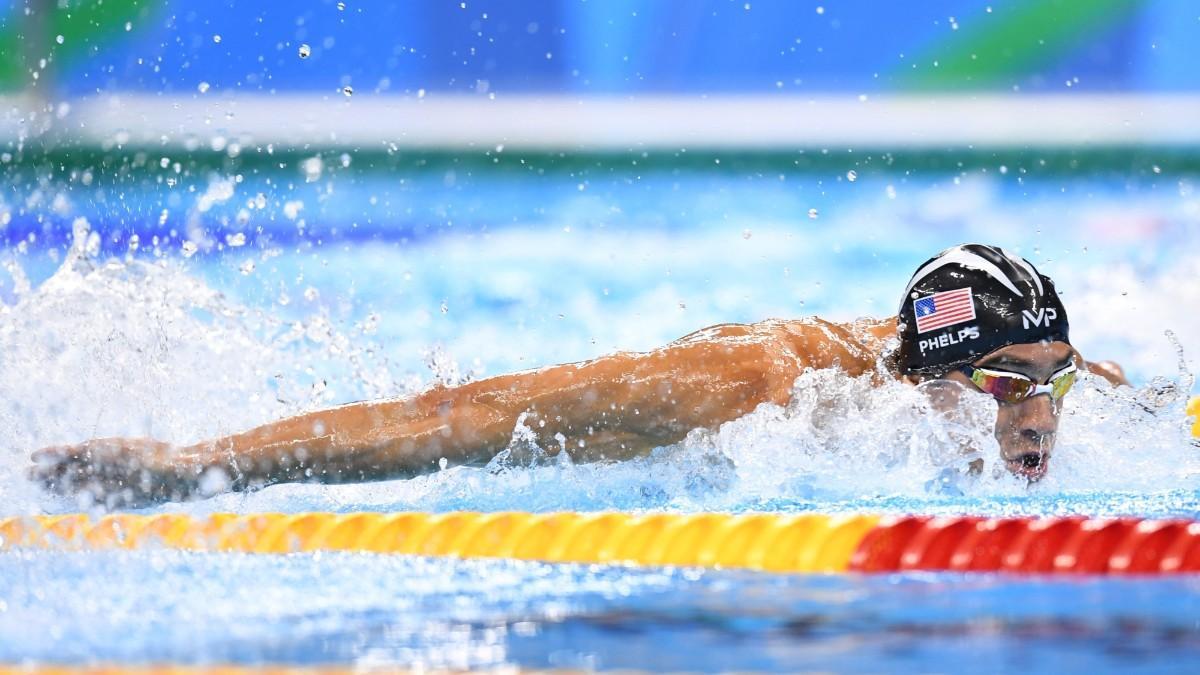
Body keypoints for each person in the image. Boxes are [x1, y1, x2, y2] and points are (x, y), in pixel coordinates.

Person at [31, 243, 1126, 505]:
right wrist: (195, 464)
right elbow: (459, 415)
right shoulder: (753, 388)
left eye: (1053, 381)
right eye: (1002, 385)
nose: (1038, 418)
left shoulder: (1059, 377)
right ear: (929, 376)